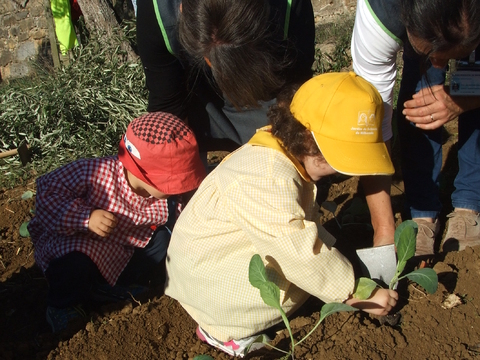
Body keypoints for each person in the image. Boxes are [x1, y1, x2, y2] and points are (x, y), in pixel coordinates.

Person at [164, 72, 398, 358]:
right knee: (291, 279)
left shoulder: (279, 151)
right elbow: (297, 252)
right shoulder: (269, 177)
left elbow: (293, 224)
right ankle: (222, 331)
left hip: (209, 261)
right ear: (309, 142)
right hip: (210, 283)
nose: (342, 173)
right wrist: (358, 293)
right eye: (341, 161)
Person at [28, 112, 206, 333]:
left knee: (165, 239)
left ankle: (106, 288)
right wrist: (86, 217)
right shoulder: (94, 173)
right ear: (142, 172)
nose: (181, 189)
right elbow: (47, 194)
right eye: (175, 183)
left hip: (126, 247)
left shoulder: (170, 197)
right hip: (84, 242)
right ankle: (61, 306)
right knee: (73, 264)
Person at [351, 0, 480, 255]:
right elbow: (373, 123)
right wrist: (384, 229)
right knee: (420, 94)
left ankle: (469, 202)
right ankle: (422, 211)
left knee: (474, 71)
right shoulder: (380, 15)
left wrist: (465, 99)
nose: (441, 66)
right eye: (432, 53)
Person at [136, 0, 315, 148]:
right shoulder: (158, 11)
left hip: (265, 82)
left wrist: (294, 148)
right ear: (181, 11)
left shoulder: (289, 7)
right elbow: (168, 103)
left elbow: (296, 84)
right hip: (198, 91)